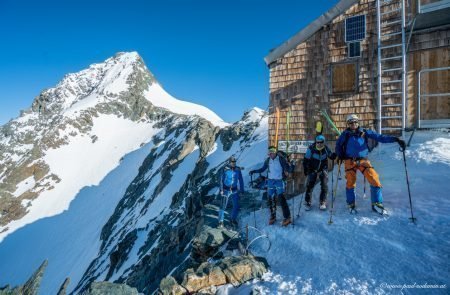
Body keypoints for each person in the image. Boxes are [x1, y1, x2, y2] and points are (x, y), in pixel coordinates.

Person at [335, 114, 406, 213]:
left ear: (358, 122)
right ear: (348, 124)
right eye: (351, 123)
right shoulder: (345, 134)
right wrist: (340, 154)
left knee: (374, 178)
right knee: (350, 182)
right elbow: (338, 145)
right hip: (349, 161)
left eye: (355, 122)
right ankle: (351, 203)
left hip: (363, 160)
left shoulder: (364, 132)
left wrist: (396, 139)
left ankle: (376, 203)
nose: (353, 124)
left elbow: (379, 137)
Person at [250, 146, 292, 226]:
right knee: (270, 198)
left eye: (272, 152)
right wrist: (254, 171)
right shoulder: (268, 160)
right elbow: (262, 169)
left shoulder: (280, 159)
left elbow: (287, 168)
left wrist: (289, 167)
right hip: (270, 181)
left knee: (281, 198)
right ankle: (273, 216)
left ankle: (287, 217)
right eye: (269, 153)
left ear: (275, 152)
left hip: (279, 181)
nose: (271, 154)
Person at [303, 135, 337, 210]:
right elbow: (305, 160)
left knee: (324, 185)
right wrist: (306, 169)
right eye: (317, 142)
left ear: (323, 142)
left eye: (321, 142)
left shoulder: (325, 149)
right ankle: (307, 201)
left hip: (323, 168)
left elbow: (331, 156)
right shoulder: (311, 149)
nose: (319, 144)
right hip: (312, 169)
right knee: (310, 185)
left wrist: (335, 154)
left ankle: (322, 202)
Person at [218, 156, 244, 228]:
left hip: (234, 190)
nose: (233, 163)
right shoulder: (225, 169)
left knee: (236, 205)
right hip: (226, 190)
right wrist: (221, 190)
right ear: (229, 162)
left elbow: (241, 180)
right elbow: (221, 180)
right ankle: (221, 221)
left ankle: (233, 219)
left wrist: (242, 190)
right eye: (232, 162)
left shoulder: (237, 170)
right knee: (223, 205)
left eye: (234, 162)